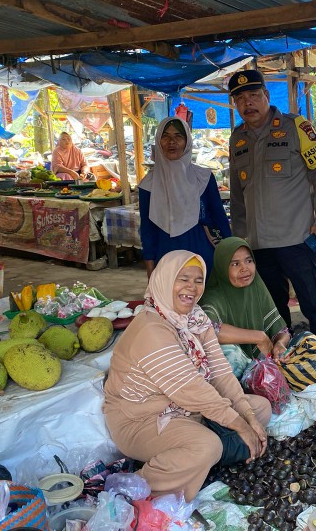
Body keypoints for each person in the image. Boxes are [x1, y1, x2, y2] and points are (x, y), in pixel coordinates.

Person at [103, 251, 271, 500]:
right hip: (142, 419)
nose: (191, 288)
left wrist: (248, 418)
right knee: (207, 445)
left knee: (261, 409)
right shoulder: (151, 328)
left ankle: (193, 459)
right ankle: (136, 488)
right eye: (183, 279)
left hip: (186, 409)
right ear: (164, 280)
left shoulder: (195, 319)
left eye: (198, 280)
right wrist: (241, 428)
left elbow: (220, 373)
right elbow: (194, 390)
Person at [227, 69, 316, 366]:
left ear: (267, 96)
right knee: (273, 310)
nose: (248, 103)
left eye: (254, 95)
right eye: (240, 99)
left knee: (315, 304)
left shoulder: (296, 126)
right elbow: (238, 194)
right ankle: (285, 365)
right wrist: (239, 240)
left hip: (297, 237)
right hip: (257, 244)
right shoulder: (237, 138)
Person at [139, 116, 230, 278]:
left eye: (178, 136)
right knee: (171, 301)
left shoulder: (203, 177)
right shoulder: (148, 184)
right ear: (158, 142)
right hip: (166, 256)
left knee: (206, 300)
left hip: (202, 252)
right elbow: (147, 230)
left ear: (187, 142)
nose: (171, 142)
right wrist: (150, 271)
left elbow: (219, 217)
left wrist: (231, 256)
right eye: (165, 136)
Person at [200, 236, 291, 373]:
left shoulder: (257, 289)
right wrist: (258, 337)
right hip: (226, 375)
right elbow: (207, 329)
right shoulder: (213, 298)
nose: (244, 268)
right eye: (235, 264)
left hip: (262, 369)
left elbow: (282, 331)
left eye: (248, 261)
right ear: (222, 267)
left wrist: (280, 344)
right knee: (231, 354)